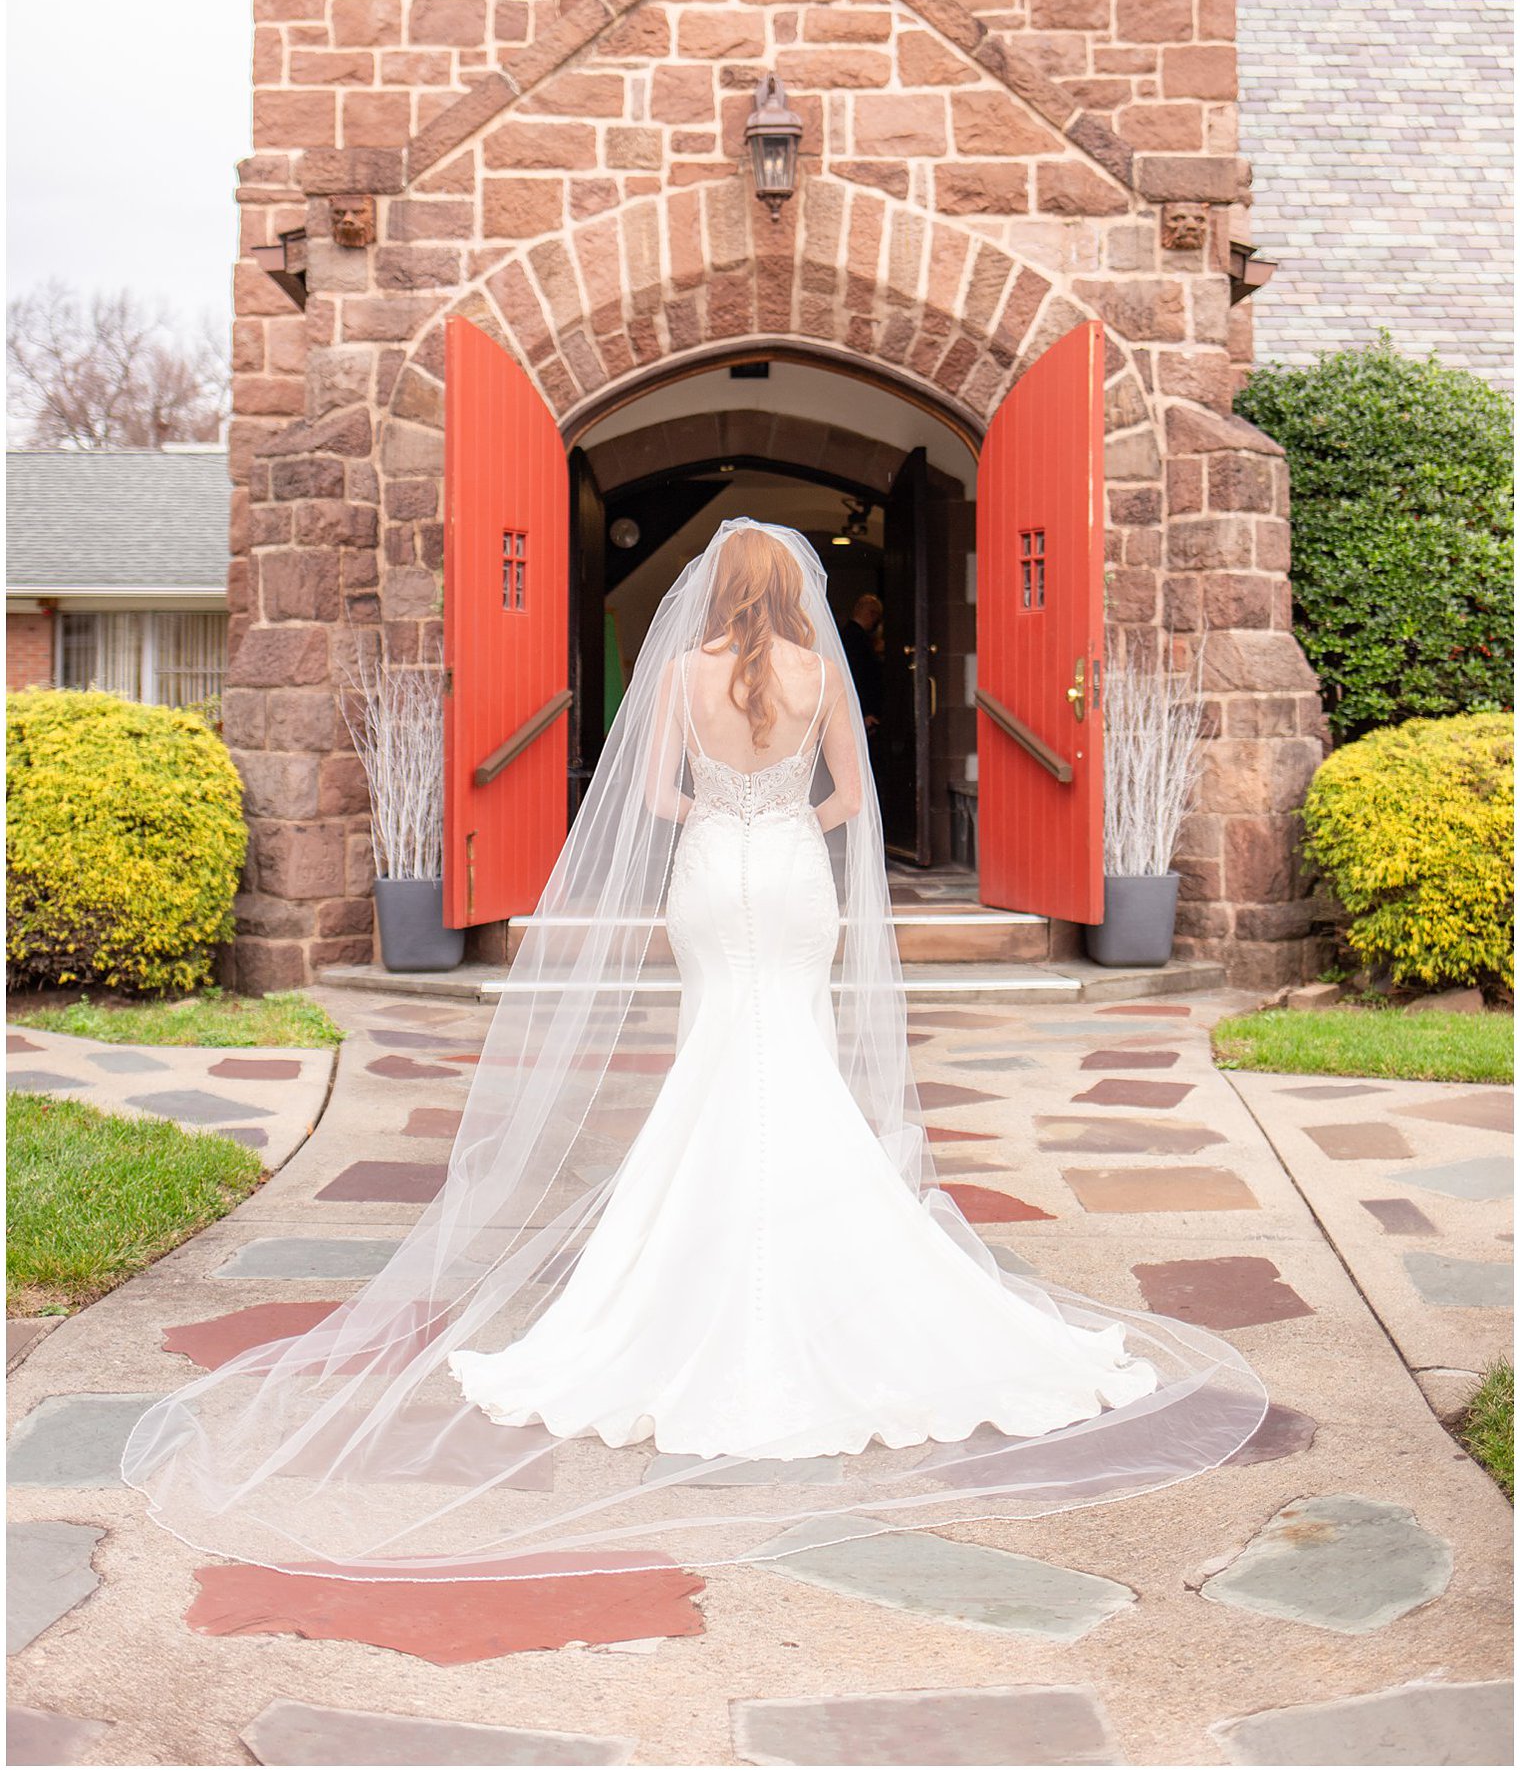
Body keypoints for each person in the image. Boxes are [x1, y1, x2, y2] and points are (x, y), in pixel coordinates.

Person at [121, 520, 1266, 1582]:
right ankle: (840, 1265)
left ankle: (678, 1276)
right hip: (789, 875)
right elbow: (852, 803)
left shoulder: (675, 675)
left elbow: (659, 798)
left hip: (713, 875)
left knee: (717, 1054)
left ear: (713, 595)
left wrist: (724, 811)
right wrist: (780, 818)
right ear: (794, 592)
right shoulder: (822, 673)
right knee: (795, 1060)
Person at [840, 589, 884, 735]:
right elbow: (856, 676)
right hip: (861, 710)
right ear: (871, 615)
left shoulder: (847, 635)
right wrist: (864, 711)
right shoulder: (856, 639)